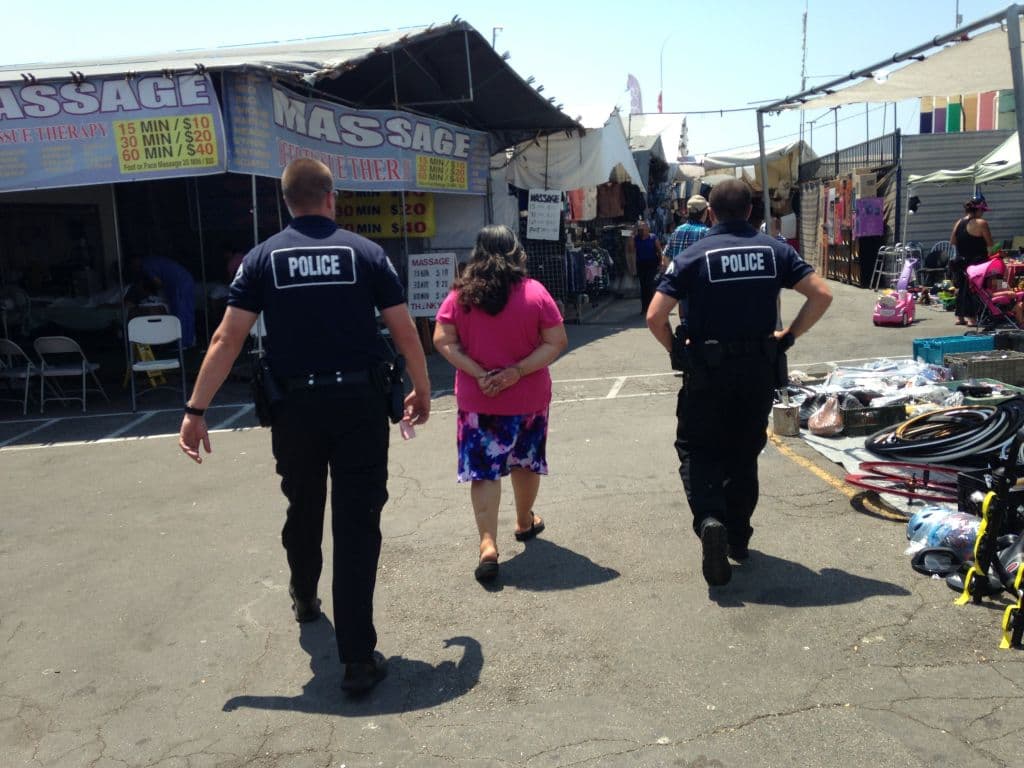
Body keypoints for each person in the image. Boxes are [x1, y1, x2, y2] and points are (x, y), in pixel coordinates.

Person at [178, 157, 430, 695]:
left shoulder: (262, 259)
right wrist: (423, 388)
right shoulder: (366, 253)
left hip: (295, 409)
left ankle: (304, 595)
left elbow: (227, 339)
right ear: (331, 198)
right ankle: (359, 658)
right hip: (360, 405)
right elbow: (405, 331)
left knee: (304, 504)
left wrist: (196, 410)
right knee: (358, 521)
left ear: (285, 203)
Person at [645, 180, 832, 588]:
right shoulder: (776, 251)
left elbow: (655, 317)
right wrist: (790, 336)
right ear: (750, 211)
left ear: (710, 213)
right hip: (757, 371)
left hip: (708, 371)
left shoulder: (694, 255)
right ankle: (739, 538)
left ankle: (711, 519)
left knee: (697, 449)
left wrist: (676, 352)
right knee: (744, 453)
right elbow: (821, 295)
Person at [433, 225, 568, 583]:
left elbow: (442, 340)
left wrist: (480, 374)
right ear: (515, 252)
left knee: (484, 471)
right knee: (526, 463)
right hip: (528, 397)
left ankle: (488, 544)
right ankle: (524, 520)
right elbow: (556, 341)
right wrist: (516, 371)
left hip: (480, 400)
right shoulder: (535, 292)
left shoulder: (461, 295)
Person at [131, 254, 197, 348]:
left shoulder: (146, 265)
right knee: (187, 312)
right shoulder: (153, 260)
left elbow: (158, 282)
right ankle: (190, 340)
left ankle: (183, 343)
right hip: (184, 280)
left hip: (179, 285)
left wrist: (153, 290)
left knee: (180, 314)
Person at [950, 194, 994, 327]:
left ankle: (960, 317)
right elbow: (990, 244)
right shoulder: (981, 223)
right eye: (982, 211)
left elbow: (952, 241)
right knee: (975, 289)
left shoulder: (959, 222)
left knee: (963, 288)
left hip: (961, 261)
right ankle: (972, 318)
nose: (983, 214)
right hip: (977, 261)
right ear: (978, 210)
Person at [664, 195, 710, 261]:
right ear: (705, 212)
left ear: (688, 211)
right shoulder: (706, 233)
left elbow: (665, 259)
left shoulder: (677, 231)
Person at [633, 220, 663, 314]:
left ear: (647, 229)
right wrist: (634, 230)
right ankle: (644, 307)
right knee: (643, 287)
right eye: (640, 229)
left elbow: (659, 251)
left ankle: (652, 307)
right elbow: (630, 247)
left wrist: (661, 262)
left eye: (644, 228)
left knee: (650, 286)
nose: (642, 231)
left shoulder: (653, 237)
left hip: (652, 264)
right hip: (641, 265)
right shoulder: (636, 238)